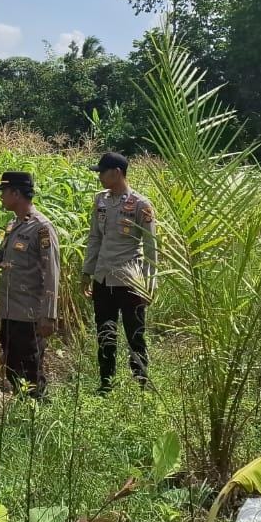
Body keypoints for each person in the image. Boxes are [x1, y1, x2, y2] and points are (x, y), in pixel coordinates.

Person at [0, 171, 60, 400]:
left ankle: (39, 416)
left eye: (3, 192)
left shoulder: (41, 228)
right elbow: (1, 259)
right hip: (10, 309)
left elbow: (52, 273)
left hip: (29, 313)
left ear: (16, 193)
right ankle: (24, 413)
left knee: (31, 369)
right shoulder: (14, 225)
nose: (1, 197)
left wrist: (49, 315)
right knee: (12, 365)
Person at [81, 152, 157, 395]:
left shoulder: (141, 204)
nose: (99, 177)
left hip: (130, 280)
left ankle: (141, 384)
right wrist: (87, 272)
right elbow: (94, 238)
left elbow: (150, 246)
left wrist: (150, 283)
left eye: (102, 172)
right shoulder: (100, 201)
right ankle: (106, 384)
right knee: (105, 332)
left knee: (135, 335)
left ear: (116, 173)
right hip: (103, 278)